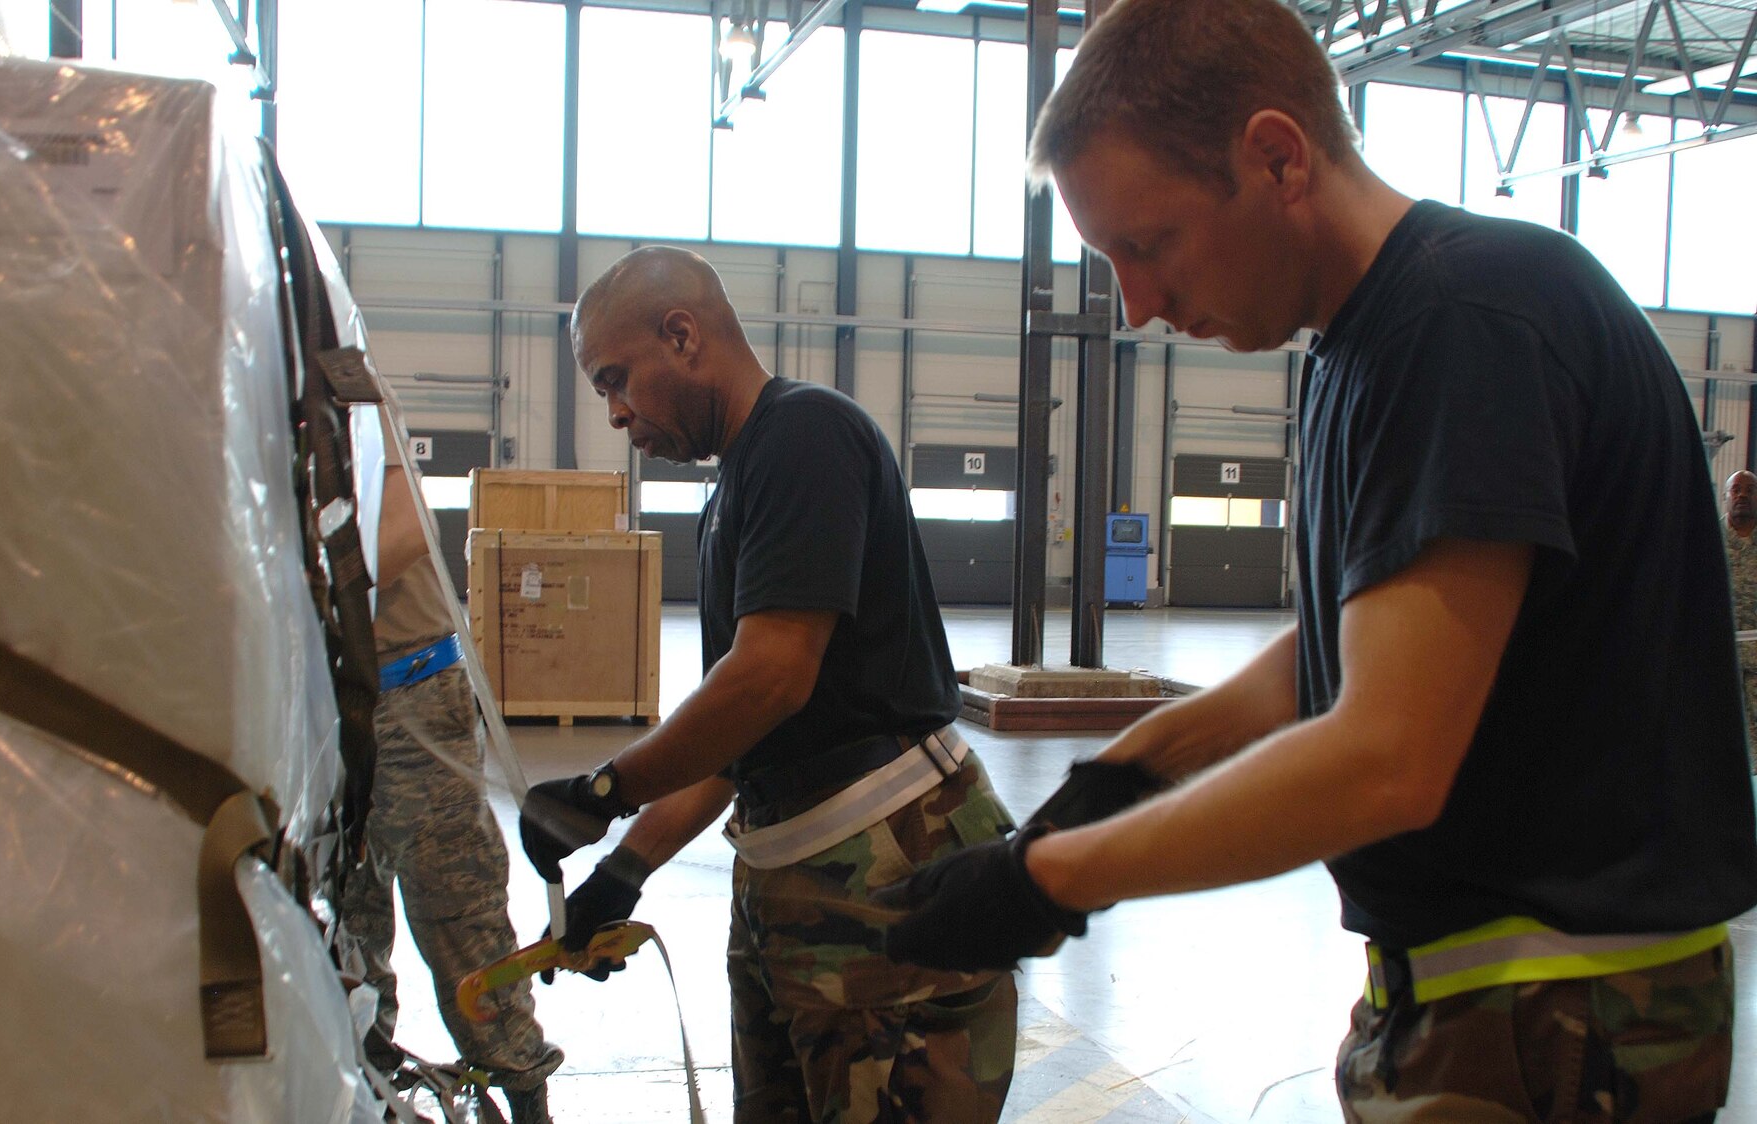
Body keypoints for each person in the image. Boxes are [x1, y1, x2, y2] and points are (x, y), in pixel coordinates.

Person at [878, 1, 1757, 1120]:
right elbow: (1344, 653)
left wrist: (1046, 881)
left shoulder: (1464, 321)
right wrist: (1126, 774)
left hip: (1554, 1013)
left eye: (1144, 246)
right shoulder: (1379, 339)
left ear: (1276, 155)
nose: (1137, 305)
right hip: (1495, 996)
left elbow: (1383, 756)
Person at [517, 246, 1019, 1123]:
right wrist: (624, 870)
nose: (614, 413)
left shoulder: (805, 436)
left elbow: (771, 678)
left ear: (682, 335)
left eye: (615, 379)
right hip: (794, 887)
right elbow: (742, 734)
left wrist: (607, 788)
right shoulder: (739, 484)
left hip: (886, 888)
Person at [341, 414, 562, 1123]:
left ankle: (521, 1085)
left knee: (455, 907)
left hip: (407, 694)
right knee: (346, 913)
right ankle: (364, 1072)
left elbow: (406, 533)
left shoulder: (343, 385)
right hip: (316, 696)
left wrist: (298, 581)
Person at [1723, 469, 1757, 773]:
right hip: (1721, 661)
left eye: (1749, 490)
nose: (1742, 495)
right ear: (1726, 497)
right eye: (1736, 490)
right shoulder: (1708, 541)